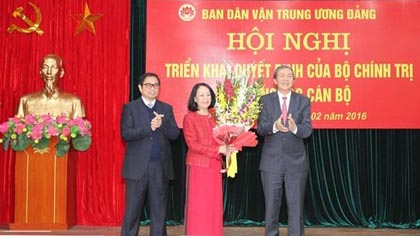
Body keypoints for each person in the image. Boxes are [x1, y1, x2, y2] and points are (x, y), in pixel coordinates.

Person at [120, 72, 180, 236]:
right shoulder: (130, 108)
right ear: (140, 87)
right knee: (132, 211)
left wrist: (162, 125)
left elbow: (175, 134)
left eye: (156, 85)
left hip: (159, 167)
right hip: (137, 168)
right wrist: (149, 128)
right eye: (149, 85)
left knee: (159, 212)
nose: (153, 88)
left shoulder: (166, 108)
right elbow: (126, 134)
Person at [257, 65, 312, 236]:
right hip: (271, 162)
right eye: (282, 76)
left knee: (296, 209)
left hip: (296, 163)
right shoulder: (265, 101)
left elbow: (307, 130)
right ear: (275, 81)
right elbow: (260, 128)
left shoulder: (303, 101)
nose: (286, 79)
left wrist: (295, 128)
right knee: (271, 208)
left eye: (289, 76)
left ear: (294, 81)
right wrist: (274, 126)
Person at [183, 83, 235, 236]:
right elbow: (193, 145)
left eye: (208, 94)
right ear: (195, 99)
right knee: (199, 207)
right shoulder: (189, 118)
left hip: (215, 166)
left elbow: (223, 141)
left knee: (213, 206)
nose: (205, 98)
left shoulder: (217, 118)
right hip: (198, 167)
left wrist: (229, 149)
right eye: (201, 95)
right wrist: (218, 150)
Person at [17, 54, 85, 118]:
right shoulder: (25, 101)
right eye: (45, 67)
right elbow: (17, 127)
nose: (49, 72)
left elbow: (79, 128)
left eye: (54, 68)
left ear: (61, 72)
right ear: (40, 72)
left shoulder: (74, 102)